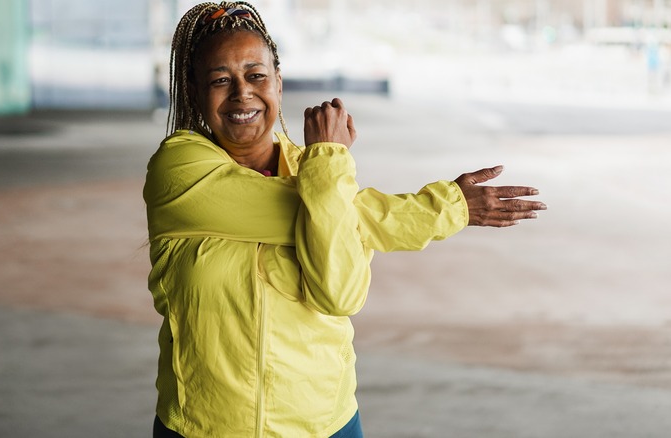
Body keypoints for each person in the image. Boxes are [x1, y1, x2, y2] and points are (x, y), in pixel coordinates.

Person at [143, 3, 546, 437]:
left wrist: (325, 168)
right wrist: (448, 206)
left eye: (256, 75)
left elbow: (341, 297)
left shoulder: (320, 174)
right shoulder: (179, 170)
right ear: (195, 92)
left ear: (278, 83)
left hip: (324, 424)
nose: (242, 92)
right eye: (220, 79)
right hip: (203, 428)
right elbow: (332, 212)